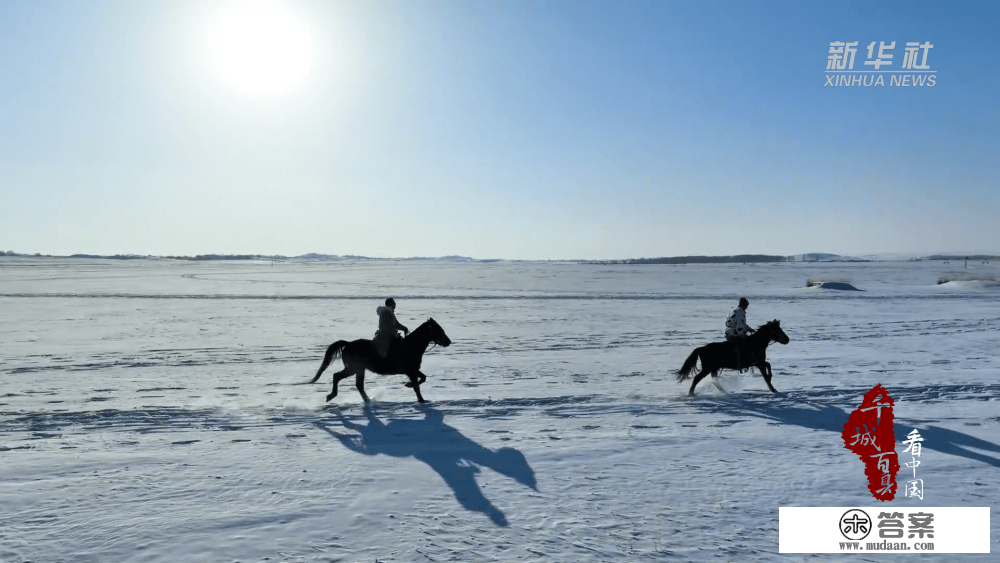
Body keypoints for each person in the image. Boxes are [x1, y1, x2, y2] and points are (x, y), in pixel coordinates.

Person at [725, 297, 754, 371]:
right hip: (735, 334)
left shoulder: (734, 310)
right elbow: (739, 326)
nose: (747, 307)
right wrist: (743, 334)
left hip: (729, 332)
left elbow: (742, 323)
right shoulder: (740, 312)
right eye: (746, 305)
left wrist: (749, 329)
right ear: (744, 305)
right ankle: (743, 363)